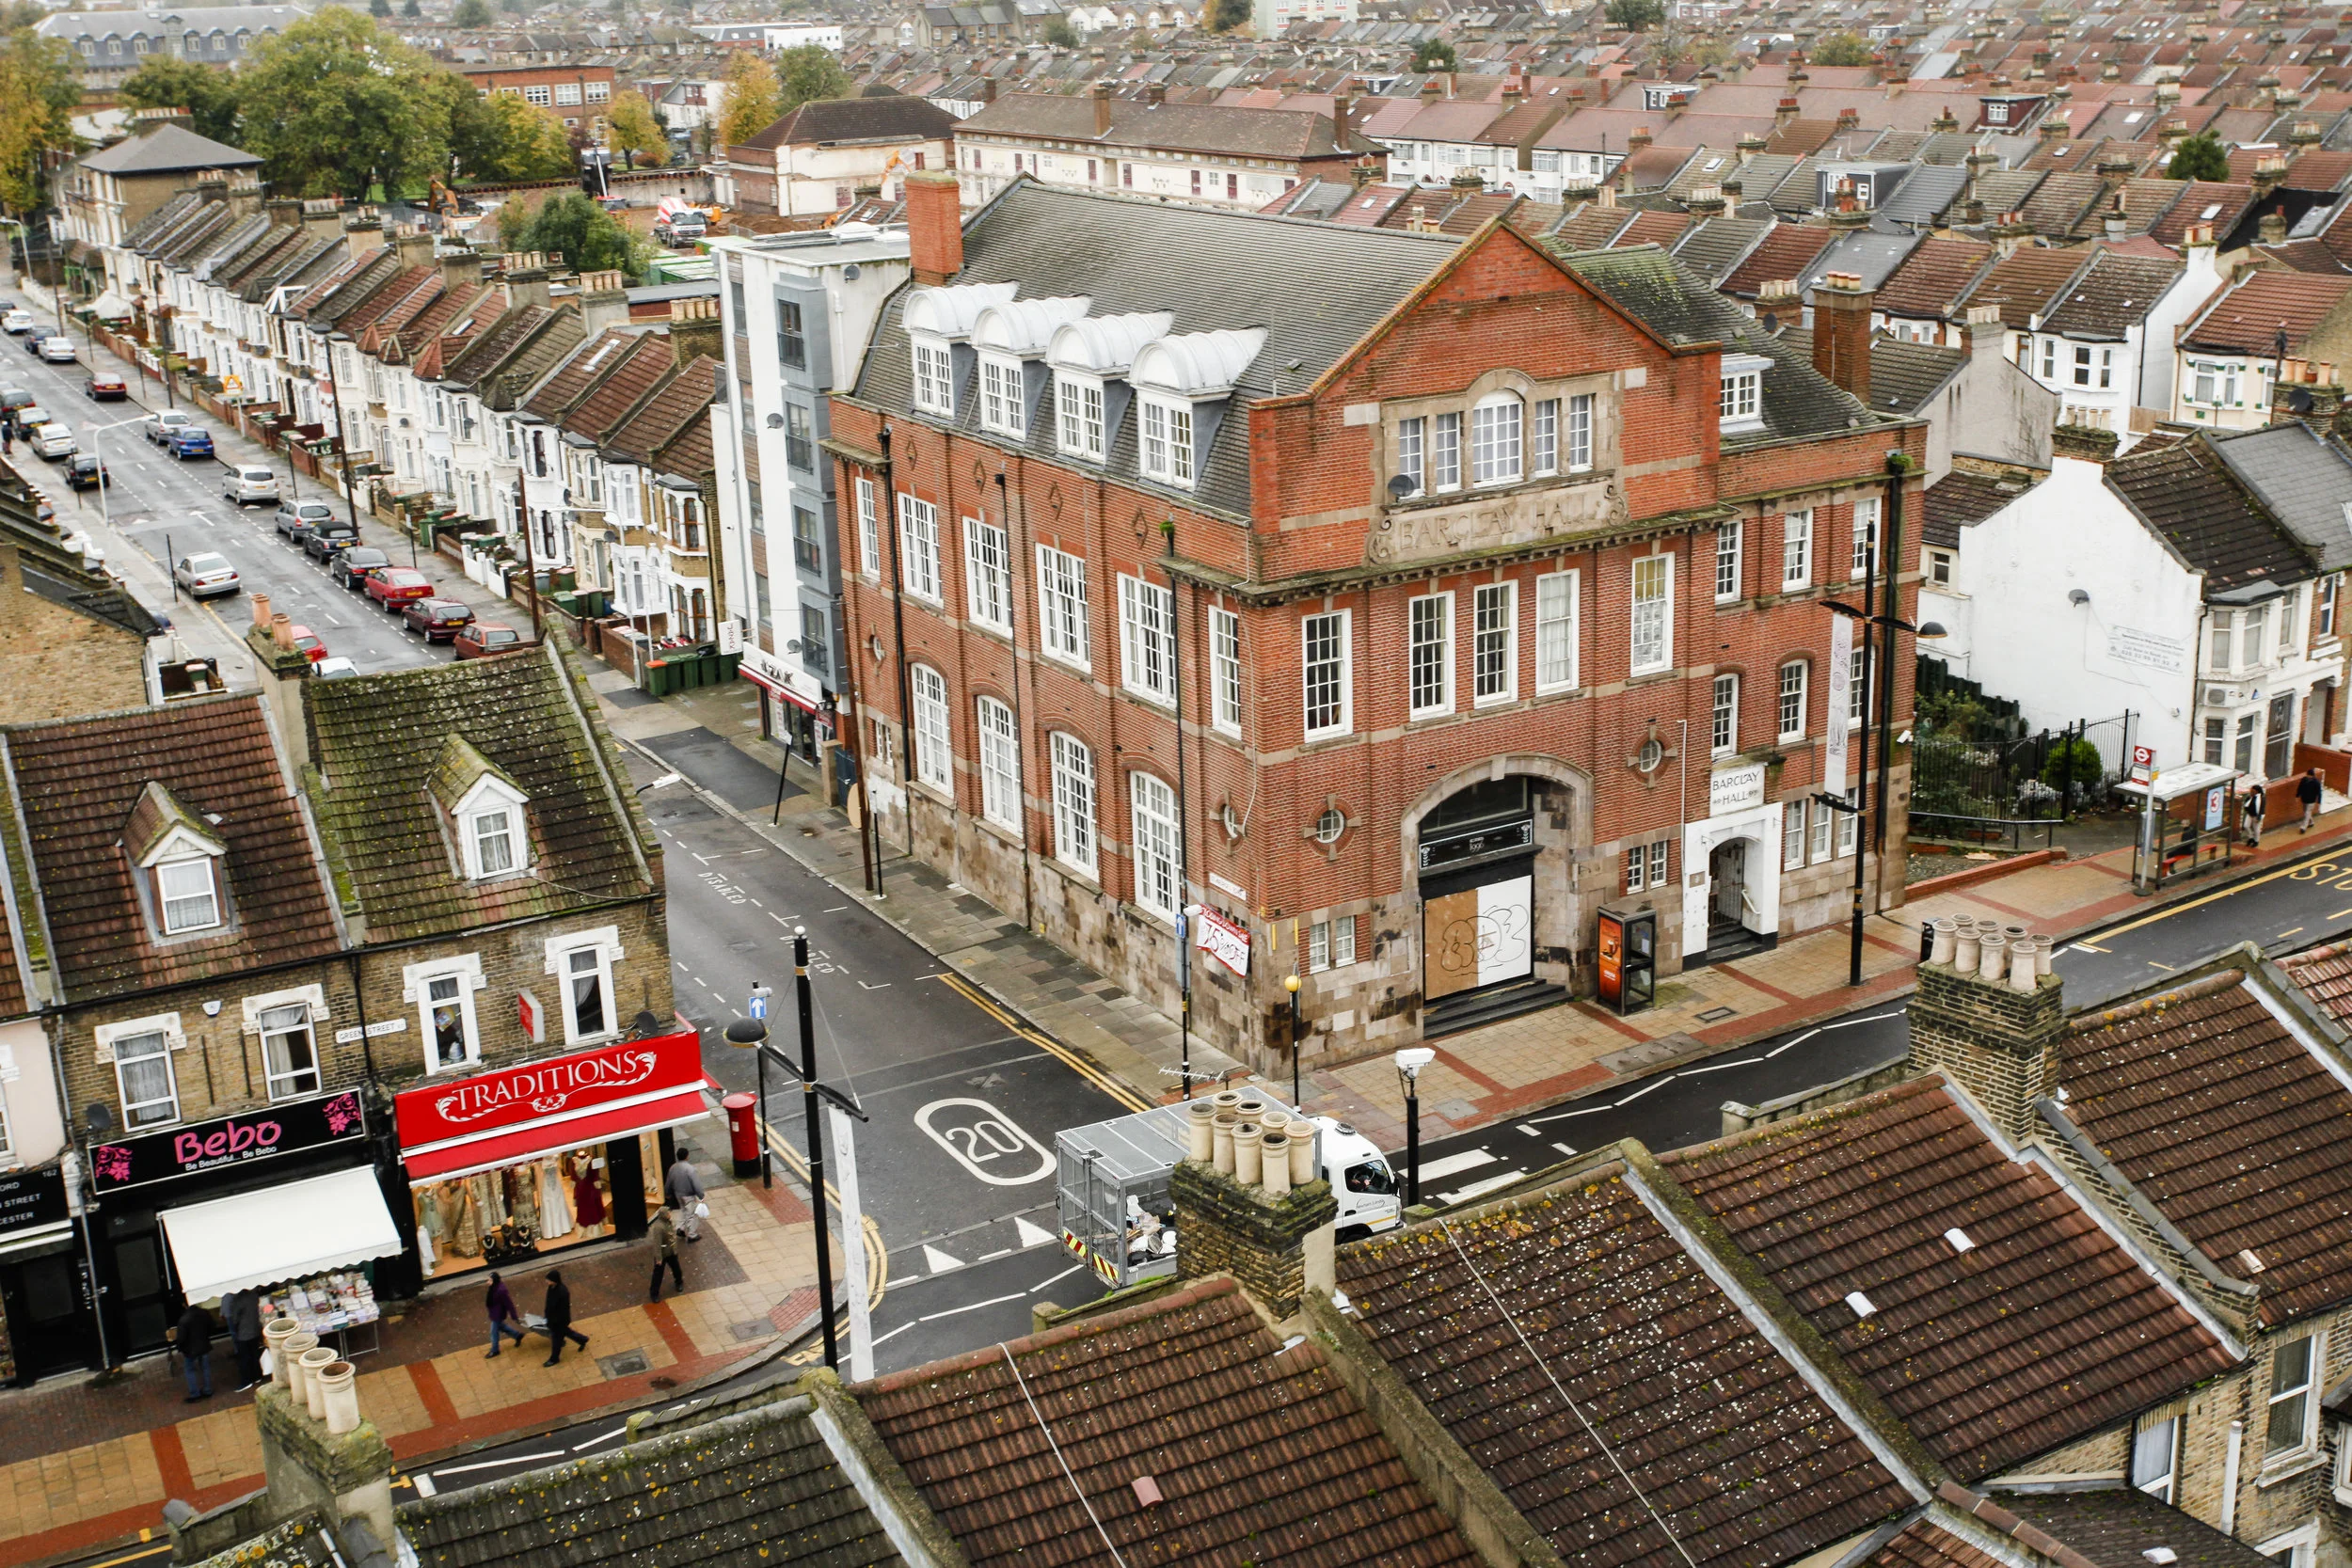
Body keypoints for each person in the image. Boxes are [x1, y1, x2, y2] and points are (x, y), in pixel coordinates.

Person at [541, 1270, 588, 1366]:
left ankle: (554, 1359)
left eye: (548, 1279)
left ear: (554, 1280)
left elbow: (562, 1310)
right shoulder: (551, 1288)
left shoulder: (562, 1292)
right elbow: (549, 1303)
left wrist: (554, 1321)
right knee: (567, 1332)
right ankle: (582, 1339)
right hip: (554, 1320)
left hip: (559, 1321)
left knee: (556, 1339)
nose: (546, 1281)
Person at [175, 1300, 215, 1403]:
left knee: (189, 1370)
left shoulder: (184, 1320)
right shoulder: (204, 1313)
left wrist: (180, 1348)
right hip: (204, 1345)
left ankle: (195, 1393)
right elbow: (212, 1327)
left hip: (190, 1350)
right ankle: (208, 1389)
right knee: (205, 1367)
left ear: (184, 1305)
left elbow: (181, 1338)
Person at [223, 1289, 263, 1392]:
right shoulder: (253, 1295)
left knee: (244, 1358)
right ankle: (257, 1376)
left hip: (243, 1333)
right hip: (255, 1330)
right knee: (255, 1354)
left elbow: (235, 1319)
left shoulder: (238, 1300)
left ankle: (246, 1381)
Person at [664, 1146, 706, 1243]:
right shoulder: (690, 1169)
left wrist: (667, 1192)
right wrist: (701, 1195)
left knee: (683, 1211)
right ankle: (692, 1235)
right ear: (687, 1156)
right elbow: (696, 1183)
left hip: (678, 1194)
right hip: (688, 1195)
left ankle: (681, 1229)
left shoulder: (673, 1168)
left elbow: (669, 1181)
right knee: (691, 1214)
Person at [485, 1271, 527, 1359]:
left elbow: (509, 1304)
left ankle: (495, 1350)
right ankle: (517, 1335)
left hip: (498, 1315)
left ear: (494, 1281)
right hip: (494, 1313)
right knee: (502, 1327)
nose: (487, 1282)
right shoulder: (494, 1288)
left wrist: (514, 1316)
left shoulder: (501, 1291)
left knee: (493, 1332)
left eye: (489, 1280)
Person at [648, 1207, 682, 1301]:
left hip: (671, 1251)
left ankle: (679, 1282)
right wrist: (659, 1258)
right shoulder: (658, 1227)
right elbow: (657, 1244)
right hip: (663, 1254)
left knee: (676, 1269)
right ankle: (654, 1293)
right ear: (664, 1215)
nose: (670, 1214)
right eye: (668, 1213)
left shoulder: (668, 1222)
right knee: (658, 1275)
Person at [2299, 768, 2326, 833]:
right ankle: (2311, 822)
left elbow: (2319, 792)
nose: (2307, 776)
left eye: (2308, 775)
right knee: (2306, 812)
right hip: (2304, 799)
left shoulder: (2316, 782)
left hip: (2311, 800)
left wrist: (2319, 801)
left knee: (2307, 812)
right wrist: (2298, 795)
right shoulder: (2304, 780)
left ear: (2311, 775)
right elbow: (2300, 787)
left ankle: (2303, 827)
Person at [2246, 780, 2267, 847]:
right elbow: (2246, 803)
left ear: (2257, 791)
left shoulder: (2262, 798)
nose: (2251, 791)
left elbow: (2262, 808)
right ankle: (2251, 837)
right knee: (2246, 826)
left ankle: (2256, 841)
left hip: (2257, 815)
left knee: (2256, 829)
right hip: (2250, 813)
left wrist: (2259, 816)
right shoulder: (2250, 796)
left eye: (2253, 791)